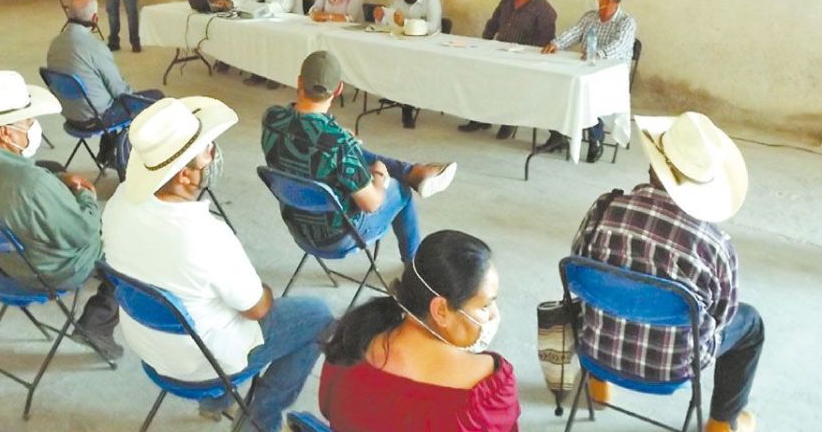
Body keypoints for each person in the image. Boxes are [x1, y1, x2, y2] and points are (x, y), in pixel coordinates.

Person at [103, 96, 333, 432]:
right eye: (207, 150)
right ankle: (259, 420)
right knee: (318, 315)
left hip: (150, 348)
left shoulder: (118, 203)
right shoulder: (205, 235)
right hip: (204, 363)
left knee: (199, 304)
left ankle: (217, 401)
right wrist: (262, 289)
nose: (213, 153)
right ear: (184, 176)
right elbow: (257, 308)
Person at [571, 112, 762, 432]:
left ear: (653, 164)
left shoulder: (605, 209)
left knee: (600, 290)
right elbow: (722, 317)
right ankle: (722, 424)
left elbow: (578, 266)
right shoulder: (715, 246)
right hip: (675, 367)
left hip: (595, 347)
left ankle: (597, 385)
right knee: (751, 324)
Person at [0, 71, 122, 358]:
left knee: (50, 168)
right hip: (52, 270)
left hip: (9, 260)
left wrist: (57, 182)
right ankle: (96, 325)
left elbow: (14, 188)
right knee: (129, 253)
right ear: (5, 133)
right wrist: (85, 195)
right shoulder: (34, 184)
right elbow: (85, 232)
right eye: (28, 122)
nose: (33, 126)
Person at [261, 50, 457, 263]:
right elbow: (371, 204)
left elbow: (311, 138)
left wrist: (343, 139)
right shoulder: (339, 144)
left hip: (298, 228)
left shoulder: (271, 119)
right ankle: (414, 265)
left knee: (347, 152)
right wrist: (379, 178)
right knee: (401, 190)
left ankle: (414, 172)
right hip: (337, 237)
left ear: (299, 82)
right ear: (339, 89)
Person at [320, 230, 520, 431]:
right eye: (485, 306)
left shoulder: (350, 343)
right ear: (440, 311)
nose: (494, 314)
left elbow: (327, 408)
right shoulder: (489, 394)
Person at [46, 0, 163, 179]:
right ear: (95, 18)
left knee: (103, 97)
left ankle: (107, 152)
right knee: (156, 98)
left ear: (69, 14)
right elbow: (119, 90)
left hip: (70, 115)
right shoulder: (95, 47)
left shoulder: (55, 44)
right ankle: (146, 162)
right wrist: (136, 100)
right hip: (95, 118)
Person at [540, 0, 636, 162]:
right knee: (559, 85)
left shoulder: (626, 22)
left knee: (590, 93)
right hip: (585, 69)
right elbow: (575, 32)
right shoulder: (590, 17)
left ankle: (596, 139)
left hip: (610, 76)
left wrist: (598, 53)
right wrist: (556, 43)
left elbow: (619, 44)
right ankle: (557, 135)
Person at [459, 0, 557, 139]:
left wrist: (522, 52)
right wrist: (484, 43)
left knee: (511, 82)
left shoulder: (543, 9)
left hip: (523, 60)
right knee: (477, 74)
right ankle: (479, 117)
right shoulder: (506, 1)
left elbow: (545, 40)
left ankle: (509, 120)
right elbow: (493, 23)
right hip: (497, 52)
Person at [373, 0, 443, 128]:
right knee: (387, 56)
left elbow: (433, 26)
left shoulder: (431, 0)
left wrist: (406, 23)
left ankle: (408, 107)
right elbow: (390, 19)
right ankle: (395, 94)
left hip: (426, 47)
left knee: (410, 65)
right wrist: (381, 16)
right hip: (403, 44)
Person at [226, 0, 304, 89]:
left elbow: (285, 7)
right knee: (254, 34)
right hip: (270, 21)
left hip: (291, 24)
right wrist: (233, 2)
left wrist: (262, 9)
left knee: (273, 37)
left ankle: (277, 75)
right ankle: (259, 73)